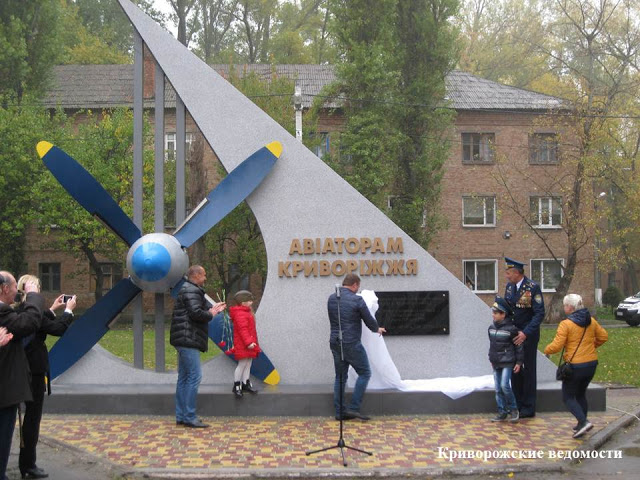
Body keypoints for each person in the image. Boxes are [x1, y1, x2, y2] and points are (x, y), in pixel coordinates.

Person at [14, 275, 76, 480]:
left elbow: (37, 323)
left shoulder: (18, 311)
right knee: (32, 419)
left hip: (19, 370)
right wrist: (68, 311)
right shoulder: (34, 313)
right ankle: (28, 465)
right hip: (34, 371)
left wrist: (52, 309)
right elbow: (57, 329)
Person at [544, 294, 608, 438]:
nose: (564, 307)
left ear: (570, 307)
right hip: (591, 364)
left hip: (575, 366)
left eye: (565, 305)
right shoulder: (591, 321)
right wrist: (591, 347)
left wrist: (546, 350)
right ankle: (581, 424)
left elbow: (557, 346)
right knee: (580, 394)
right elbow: (604, 336)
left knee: (568, 396)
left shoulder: (566, 324)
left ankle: (584, 422)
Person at [170, 265, 226, 428]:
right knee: (194, 377)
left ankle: (181, 415)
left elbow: (193, 310)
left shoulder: (187, 289)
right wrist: (212, 313)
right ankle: (189, 416)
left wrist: (211, 309)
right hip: (189, 339)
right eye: (204, 275)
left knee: (184, 378)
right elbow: (196, 314)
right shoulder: (192, 290)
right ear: (196, 275)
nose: (205, 278)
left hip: (183, 339)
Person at [0, 271, 43, 480]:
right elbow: (30, 322)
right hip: (5, 390)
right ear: (4, 288)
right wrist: (33, 295)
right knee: (2, 437)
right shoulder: (3, 312)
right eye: (15, 285)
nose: (17, 291)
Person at [327, 274, 386, 421]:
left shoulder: (331, 299)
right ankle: (353, 408)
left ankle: (340, 412)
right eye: (357, 287)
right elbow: (368, 320)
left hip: (335, 342)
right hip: (351, 342)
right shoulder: (357, 299)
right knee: (365, 372)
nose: (357, 290)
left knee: (340, 377)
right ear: (354, 284)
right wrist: (377, 329)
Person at [504, 257, 545, 418]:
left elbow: (539, 313)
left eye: (508, 273)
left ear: (517, 273)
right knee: (515, 370)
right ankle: (517, 404)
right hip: (513, 335)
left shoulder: (532, 288)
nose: (507, 276)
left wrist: (526, 333)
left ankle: (528, 407)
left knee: (527, 370)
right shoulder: (509, 287)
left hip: (528, 335)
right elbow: (508, 308)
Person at [488, 296, 524, 423]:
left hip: (508, 362)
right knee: (498, 388)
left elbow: (518, 346)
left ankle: (514, 409)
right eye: (493, 312)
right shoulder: (491, 328)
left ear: (503, 315)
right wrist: (491, 358)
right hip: (496, 362)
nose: (493, 315)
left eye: (496, 313)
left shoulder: (511, 329)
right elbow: (492, 345)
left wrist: (519, 362)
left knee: (504, 385)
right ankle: (502, 411)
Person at [229, 290, 261, 398]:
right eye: (249, 300)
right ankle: (237, 385)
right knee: (242, 364)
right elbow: (243, 330)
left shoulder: (245, 312)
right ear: (243, 302)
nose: (251, 302)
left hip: (248, 343)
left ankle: (245, 383)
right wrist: (248, 343)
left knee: (248, 363)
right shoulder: (240, 314)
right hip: (244, 343)